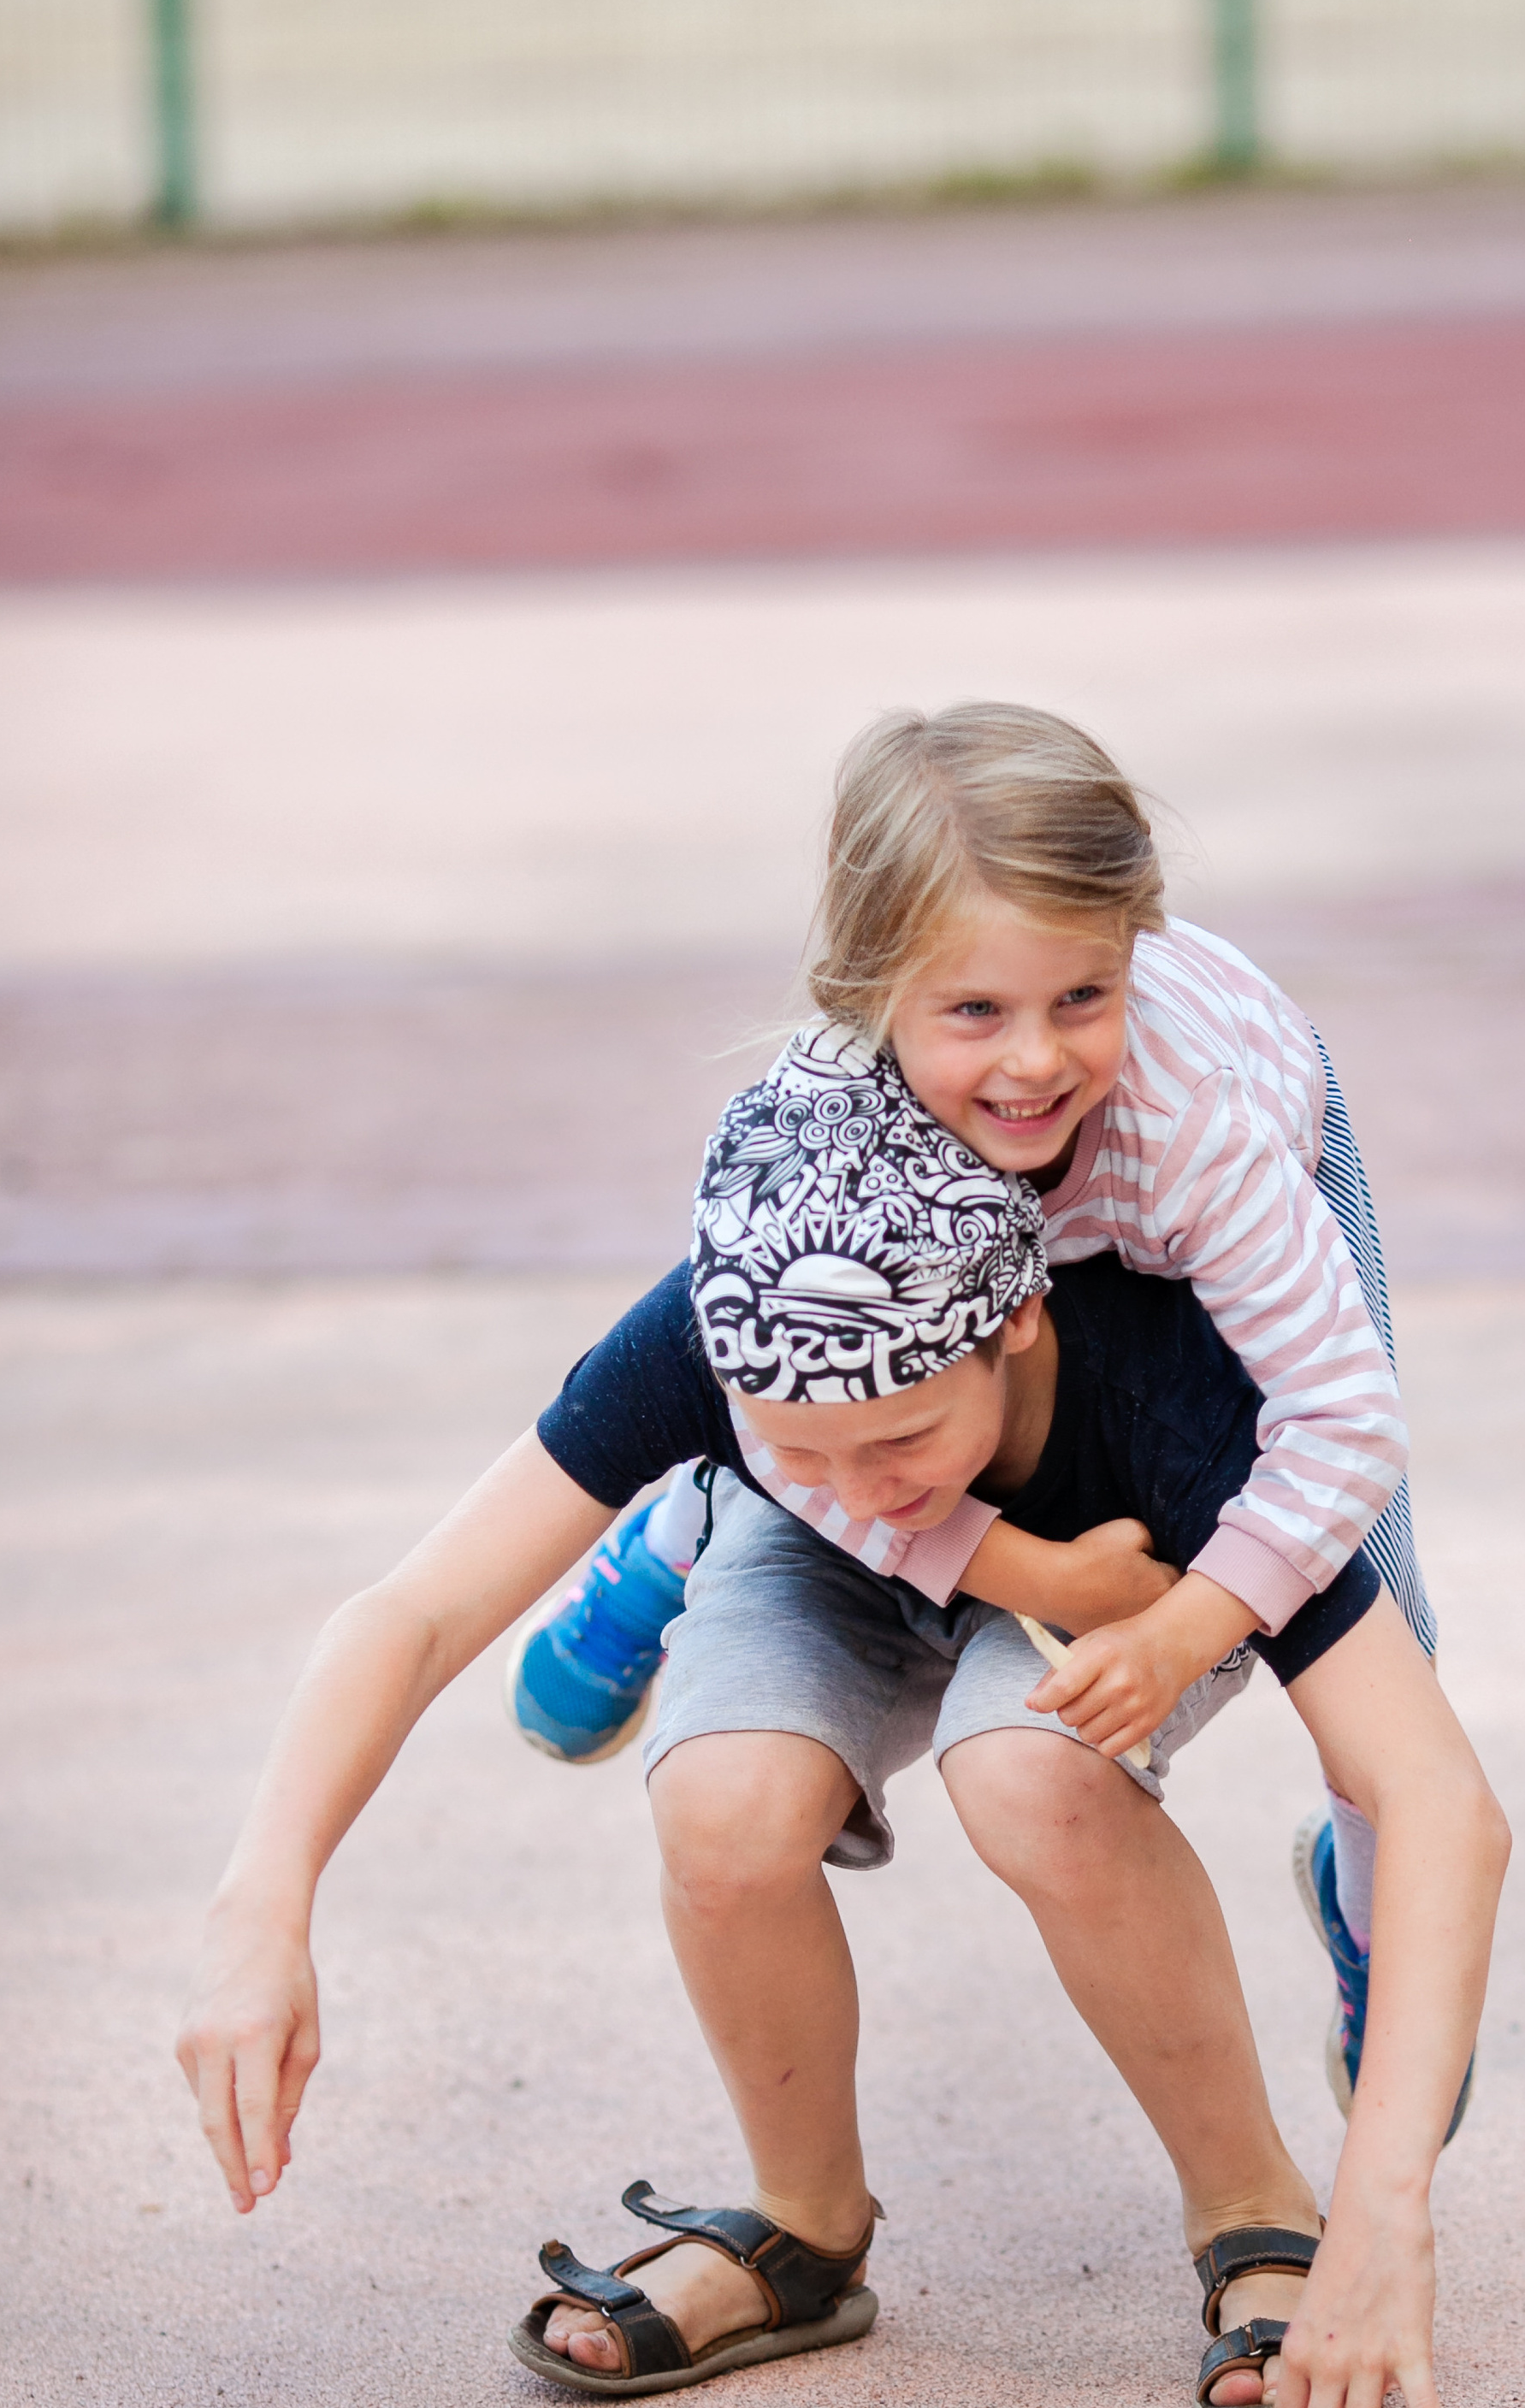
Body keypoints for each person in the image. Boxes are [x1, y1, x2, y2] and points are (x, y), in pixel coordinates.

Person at [176, 1035, 1508, 2408]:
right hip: (794, 1562)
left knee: (1030, 1774)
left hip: (1116, 1557)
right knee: (721, 1801)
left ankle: (1256, 2206)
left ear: (1015, 1320)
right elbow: (412, 1612)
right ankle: (806, 2228)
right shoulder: (721, 1340)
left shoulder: (1174, 1383)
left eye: (899, 1438)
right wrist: (263, 1896)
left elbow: (1442, 1798)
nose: (869, 1493)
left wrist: (1386, 2213)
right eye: (798, 1443)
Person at [509, 702, 1429, 2115]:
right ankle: (695, 1514)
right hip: (947, 1317)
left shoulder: (1199, 1125)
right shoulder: (829, 1111)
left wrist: (1192, 1621)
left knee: (1380, 1624)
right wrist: (1037, 1573)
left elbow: (1342, 1419)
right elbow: (768, 1377)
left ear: (1135, 953)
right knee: (849, 1393)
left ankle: (1371, 1921)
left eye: (1083, 996)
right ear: (869, 995)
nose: (1034, 1061)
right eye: (976, 1011)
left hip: (1180, 1210)